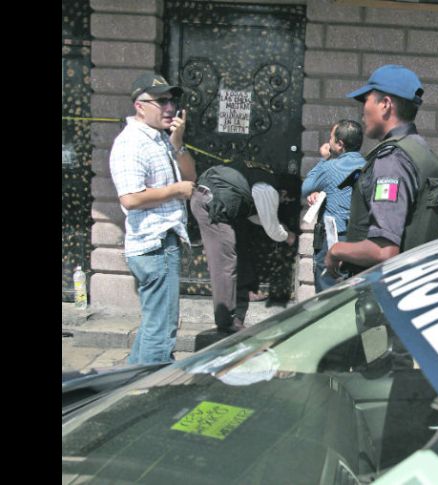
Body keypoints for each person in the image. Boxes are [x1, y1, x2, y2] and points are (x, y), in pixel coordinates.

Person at [324, 65, 438, 277]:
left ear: (385, 104)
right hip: (411, 287)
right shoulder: (420, 150)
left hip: (383, 294)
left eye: (366, 100)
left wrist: (336, 251)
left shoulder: (392, 159)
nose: (362, 112)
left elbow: (384, 250)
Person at [109, 73, 196, 364]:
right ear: (140, 105)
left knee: (153, 325)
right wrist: (175, 191)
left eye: (172, 100)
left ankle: (127, 386)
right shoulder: (131, 143)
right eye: (161, 101)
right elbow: (130, 199)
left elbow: (190, 177)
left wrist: (178, 140)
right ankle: (151, 394)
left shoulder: (158, 137)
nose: (170, 107)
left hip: (164, 241)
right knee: (161, 330)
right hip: (153, 245)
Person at [190, 162, 296, 333]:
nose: (283, 203)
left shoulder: (259, 179)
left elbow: (257, 217)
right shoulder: (268, 190)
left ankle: (242, 294)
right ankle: (226, 322)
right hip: (211, 204)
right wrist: (288, 235)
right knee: (225, 264)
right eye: (285, 200)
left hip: (213, 199)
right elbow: (272, 230)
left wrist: (278, 226)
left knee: (238, 247)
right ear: (283, 192)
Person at [301, 120, 366, 292]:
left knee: (327, 288)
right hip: (362, 239)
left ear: (339, 144)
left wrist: (324, 160)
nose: (329, 142)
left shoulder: (330, 167)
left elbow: (306, 187)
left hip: (333, 238)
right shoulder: (369, 166)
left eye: (331, 138)